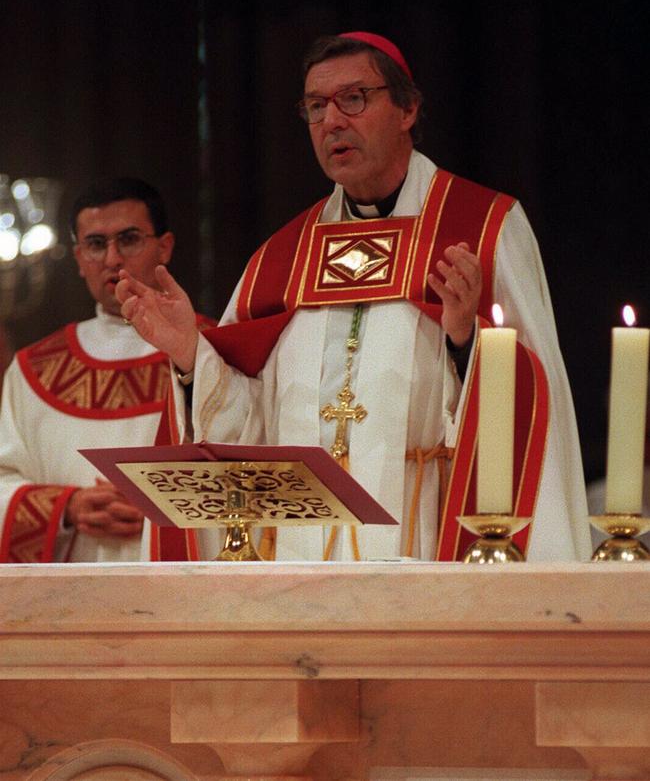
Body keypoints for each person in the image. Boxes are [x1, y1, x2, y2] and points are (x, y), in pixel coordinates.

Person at [118, 32, 591, 562]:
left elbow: (533, 411)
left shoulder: (483, 228)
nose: (332, 122)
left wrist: (465, 339)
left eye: (354, 99)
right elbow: (250, 435)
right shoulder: (282, 257)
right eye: (316, 107)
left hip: (425, 548)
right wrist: (191, 354)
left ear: (408, 108)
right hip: (298, 564)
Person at [0, 178, 208, 563]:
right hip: (71, 599)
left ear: (165, 247)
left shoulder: (215, 350)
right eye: (96, 245)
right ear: (79, 258)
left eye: (128, 240)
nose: (112, 259)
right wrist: (67, 507)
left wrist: (165, 501)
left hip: (187, 593)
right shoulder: (32, 370)